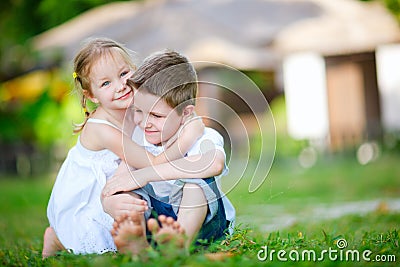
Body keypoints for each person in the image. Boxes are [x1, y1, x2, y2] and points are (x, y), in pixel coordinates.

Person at [42, 38, 206, 258]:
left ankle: (134, 241)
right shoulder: (102, 129)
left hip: (123, 182)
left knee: (131, 198)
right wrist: (189, 136)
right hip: (91, 198)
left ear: (135, 71)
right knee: (127, 201)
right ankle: (61, 238)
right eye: (106, 83)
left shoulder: (137, 109)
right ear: (91, 95)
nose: (120, 86)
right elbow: (153, 162)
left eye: (123, 74)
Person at [101, 50, 236, 254]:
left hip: (204, 227)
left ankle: (180, 240)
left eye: (156, 115)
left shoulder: (202, 136)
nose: (144, 123)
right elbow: (118, 182)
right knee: (128, 192)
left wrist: (145, 174)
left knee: (195, 183)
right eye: (138, 111)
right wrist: (111, 202)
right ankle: (138, 243)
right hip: (156, 223)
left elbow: (214, 163)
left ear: (186, 113)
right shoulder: (139, 138)